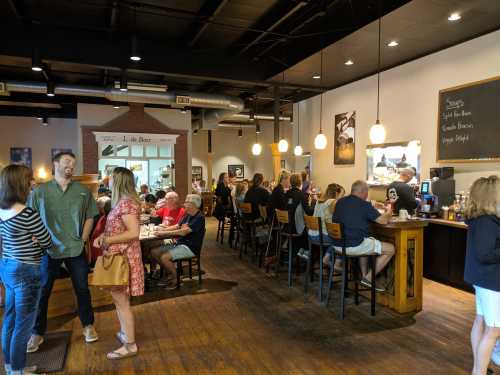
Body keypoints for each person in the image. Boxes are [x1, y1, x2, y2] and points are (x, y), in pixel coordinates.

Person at [27, 151, 99, 353]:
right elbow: (30, 219)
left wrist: (84, 238)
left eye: (73, 163)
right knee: (42, 292)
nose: (71, 166)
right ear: (55, 163)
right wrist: (36, 238)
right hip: (48, 250)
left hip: (75, 248)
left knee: (82, 289)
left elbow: (90, 217)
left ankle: (88, 326)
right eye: (67, 162)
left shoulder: (82, 191)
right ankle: (37, 333)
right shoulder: (40, 192)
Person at [0, 165, 52, 375]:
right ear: (20, 184)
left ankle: (11, 365)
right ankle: (18, 371)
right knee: (23, 325)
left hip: (8, 267)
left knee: (10, 319)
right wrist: (36, 241)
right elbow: (47, 241)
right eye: (29, 180)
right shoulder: (28, 213)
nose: (32, 183)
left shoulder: (2, 210)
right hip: (26, 270)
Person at [93, 167, 144, 360]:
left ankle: (130, 345)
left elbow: (133, 233)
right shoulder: (124, 202)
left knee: (122, 302)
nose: (108, 181)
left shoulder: (127, 203)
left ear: (119, 181)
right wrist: (105, 237)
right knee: (119, 300)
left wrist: (107, 240)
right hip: (121, 257)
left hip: (123, 259)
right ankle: (126, 334)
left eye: (111, 179)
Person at [463, 176, 500, 375]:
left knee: (481, 322)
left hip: (482, 279)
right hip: (491, 281)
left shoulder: (480, 219)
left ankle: (479, 368)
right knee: (494, 330)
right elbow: (485, 254)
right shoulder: (488, 222)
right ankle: (479, 370)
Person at [331, 180, 394, 290]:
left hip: (337, 245)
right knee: (391, 249)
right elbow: (383, 221)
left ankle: (364, 276)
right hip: (352, 245)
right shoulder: (364, 205)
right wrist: (389, 212)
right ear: (364, 192)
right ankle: (368, 279)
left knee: (366, 240)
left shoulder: (340, 202)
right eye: (367, 192)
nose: (367, 195)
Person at [151, 194, 206, 289]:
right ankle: (170, 274)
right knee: (154, 252)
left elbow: (183, 232)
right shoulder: (188, 214)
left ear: (193, 205)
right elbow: (177, 226)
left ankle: (175, 279)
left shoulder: (199, 217)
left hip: (190, 247)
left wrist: (163, 234)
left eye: (187, 202)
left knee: (164, 257)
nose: (184, 204)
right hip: (181, 243)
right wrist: (162, 230)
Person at [308, 183, 345, 264]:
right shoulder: (332, 202)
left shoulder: (319, 201)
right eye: (341, 195)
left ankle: (328, 259)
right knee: (343, 239)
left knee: (338, 236)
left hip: (312, 235)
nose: (342, 198)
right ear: (336, 193)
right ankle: (335, 262)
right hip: (321, 236)